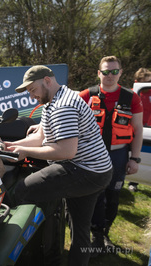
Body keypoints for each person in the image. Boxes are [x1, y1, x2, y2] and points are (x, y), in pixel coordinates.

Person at [5, 65, 113, 265]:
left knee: (19, 191)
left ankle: (24, 251)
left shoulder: (63, 106)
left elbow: (65, 151)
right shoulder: (55, 99)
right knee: (80, 230)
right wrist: (12, 145)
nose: (31, 96)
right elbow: (40, 137)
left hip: (85, 170)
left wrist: (26, 152)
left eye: (32, 90)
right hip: (98, 170)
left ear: (47, 80)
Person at [78, 56, 143, 253]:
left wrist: (134, 158)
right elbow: (62, 115)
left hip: (118, 155)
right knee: (95, 193)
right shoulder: (86, 95)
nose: (110, 75)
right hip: (92, 155)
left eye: (114, 71)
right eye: (105, 72)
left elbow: (138, 129)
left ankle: (105, 232)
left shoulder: (131, 97)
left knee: (113, 195)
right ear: (99, 73)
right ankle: (95, 233)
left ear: (121, 72)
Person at [128, 67, 151, 192]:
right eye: (145, 82)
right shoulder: (131, 94)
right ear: (137, 81)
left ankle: (134, 181)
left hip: (145, 130)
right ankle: (130, 181)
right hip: (132, 131)